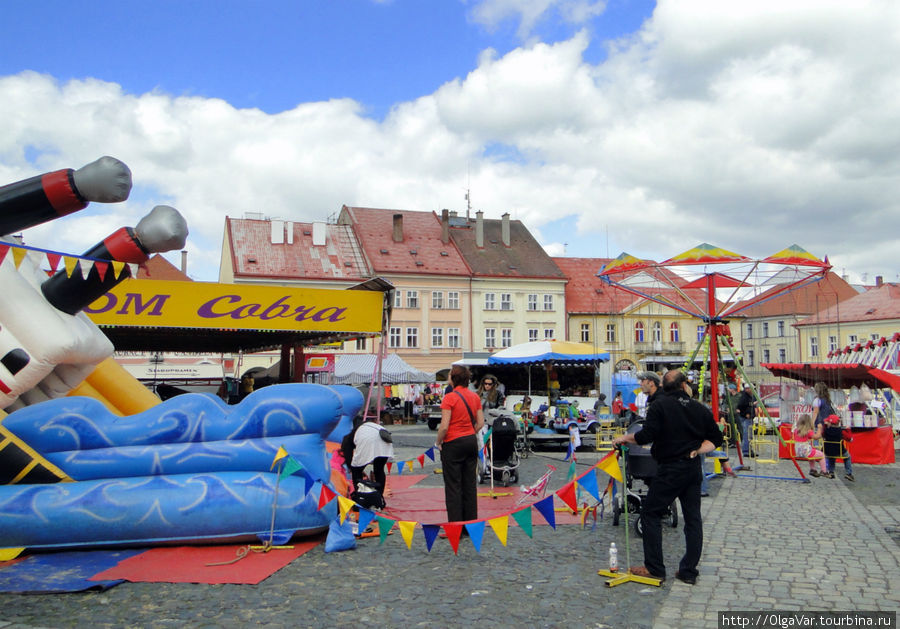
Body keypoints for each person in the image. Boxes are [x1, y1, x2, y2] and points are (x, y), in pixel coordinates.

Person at [612, 369, 723, 585]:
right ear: (684, 386)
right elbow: (716, 438)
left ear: (664, 386)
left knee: (650, 513)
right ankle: (688, 571)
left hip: (670, 468)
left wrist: (626, 437)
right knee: (693, 518)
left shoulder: (659, 406)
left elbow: (646, 435)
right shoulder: (699, 408)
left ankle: (654, 568)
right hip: (691, 469)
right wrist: (698, 450)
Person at [437, 364, 485, 522]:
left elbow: (444, 426)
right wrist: (471, 432)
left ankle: (456, 524)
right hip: (470, 441)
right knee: (469, 484)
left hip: (453, 443)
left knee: (453, 485)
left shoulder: (449, 398)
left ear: (453, 378)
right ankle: (470, 523)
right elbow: (481, 423)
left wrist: (439, 441)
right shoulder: (475, 397)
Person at [350, 414, 394, 492]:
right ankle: (379, 495)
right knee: (379, 469)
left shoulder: (358, 430)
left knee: (356, 469)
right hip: (385, 440)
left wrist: (353, 465)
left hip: (369, 441)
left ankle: (359, 492)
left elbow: (352, 451)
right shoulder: (372, 425)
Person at [822, 414, 855, 481]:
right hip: (839, 451)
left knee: (831, 457)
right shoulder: (841, 431)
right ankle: (849, 473)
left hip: (827, 451)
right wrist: (848, 430)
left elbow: (822, 434)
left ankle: (831, 472)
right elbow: (850, 439)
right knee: (847, 457)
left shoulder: (825, 430)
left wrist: (825, 425)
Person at [792, 413, 827, 477]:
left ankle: (813, 469)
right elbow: (817, 437)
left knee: (812, 454)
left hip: (798, 452)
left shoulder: (796, 431)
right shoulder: (808, 431)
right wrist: (819, 429)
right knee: (822, 455)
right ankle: (823, 471)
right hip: (807, 451)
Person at [737, 383, 756, 457]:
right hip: (746, 417)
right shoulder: (744, 397)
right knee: (746, 435)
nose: (748, 390)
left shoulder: (751, 396)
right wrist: (746, 413)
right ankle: (746, 451)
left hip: (750, 417)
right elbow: (741, 406)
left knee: (749, 435)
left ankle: (749, 450)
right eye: (747, 388)